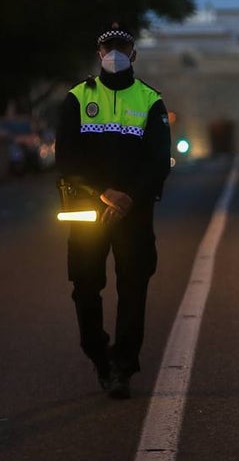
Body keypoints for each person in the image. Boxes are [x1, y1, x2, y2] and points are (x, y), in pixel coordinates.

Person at [56, 24, 171, 399]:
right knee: (85, 287)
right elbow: (67, 158)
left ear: (133, 54)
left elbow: (158, 161)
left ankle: (122, 367)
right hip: (88, 210)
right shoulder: (76, 98)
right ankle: (97, 353)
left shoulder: (151, 100)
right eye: (108, 48)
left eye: (121, 47)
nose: (115, 54)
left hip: (133, 212)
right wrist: (104, 193)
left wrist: (129, 198)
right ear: (99, 53)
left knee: (133, 288)